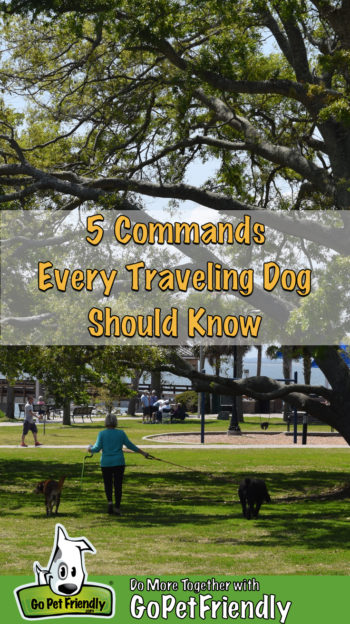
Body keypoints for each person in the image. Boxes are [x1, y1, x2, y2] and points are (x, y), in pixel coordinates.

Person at [87, 414, 150, 515]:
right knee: (118, 485)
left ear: (106, 422)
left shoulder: (102, 434)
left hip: (106, 463)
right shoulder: (121, 433)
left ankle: (110, 503)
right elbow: (130, 445)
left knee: (108, 484)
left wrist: (89, 449)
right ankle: (117, 507)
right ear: (115, 422)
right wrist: (143, 453)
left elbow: (97, 448)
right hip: (118, 462)